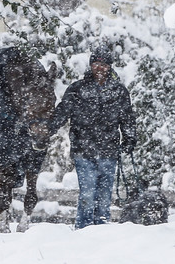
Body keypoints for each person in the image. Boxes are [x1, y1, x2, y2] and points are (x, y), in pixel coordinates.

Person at [51, 46, 136, 229]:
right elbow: (62, 112)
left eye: (104, 64)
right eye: (96, 64)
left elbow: (127, 118)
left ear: (109, 67)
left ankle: (102, 231)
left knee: (105, 196)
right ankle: (83, 229)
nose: (100, 68)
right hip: (83, 150)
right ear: (91, 65)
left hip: (109, 151)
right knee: (88, 194)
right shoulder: (77, 89)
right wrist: (46, 129)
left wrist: (129, 139)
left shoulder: (119, 92)